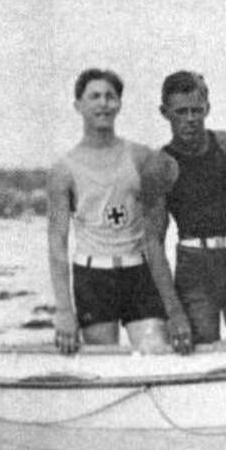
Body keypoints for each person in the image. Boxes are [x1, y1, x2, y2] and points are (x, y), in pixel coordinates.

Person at [47, 68, 176, 355]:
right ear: (78, 105)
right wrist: (64, 311)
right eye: (94, 96)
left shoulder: (140, 156)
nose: (103, 103)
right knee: (105, 364)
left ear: (119, 104)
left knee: (156, 353)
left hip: (138, 271)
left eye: (110, 96)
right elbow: (57, 244)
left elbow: (171, 176)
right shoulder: (63, 169)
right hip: (93, 277)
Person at [155, 71, 226, 346]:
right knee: (200, 352)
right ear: (165, 113)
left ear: (207, 108)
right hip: (194, 267)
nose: (190, 119)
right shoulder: (161, 166)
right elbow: (153, 243)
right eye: (181, 112)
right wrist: (173, 311)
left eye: (196, 110)